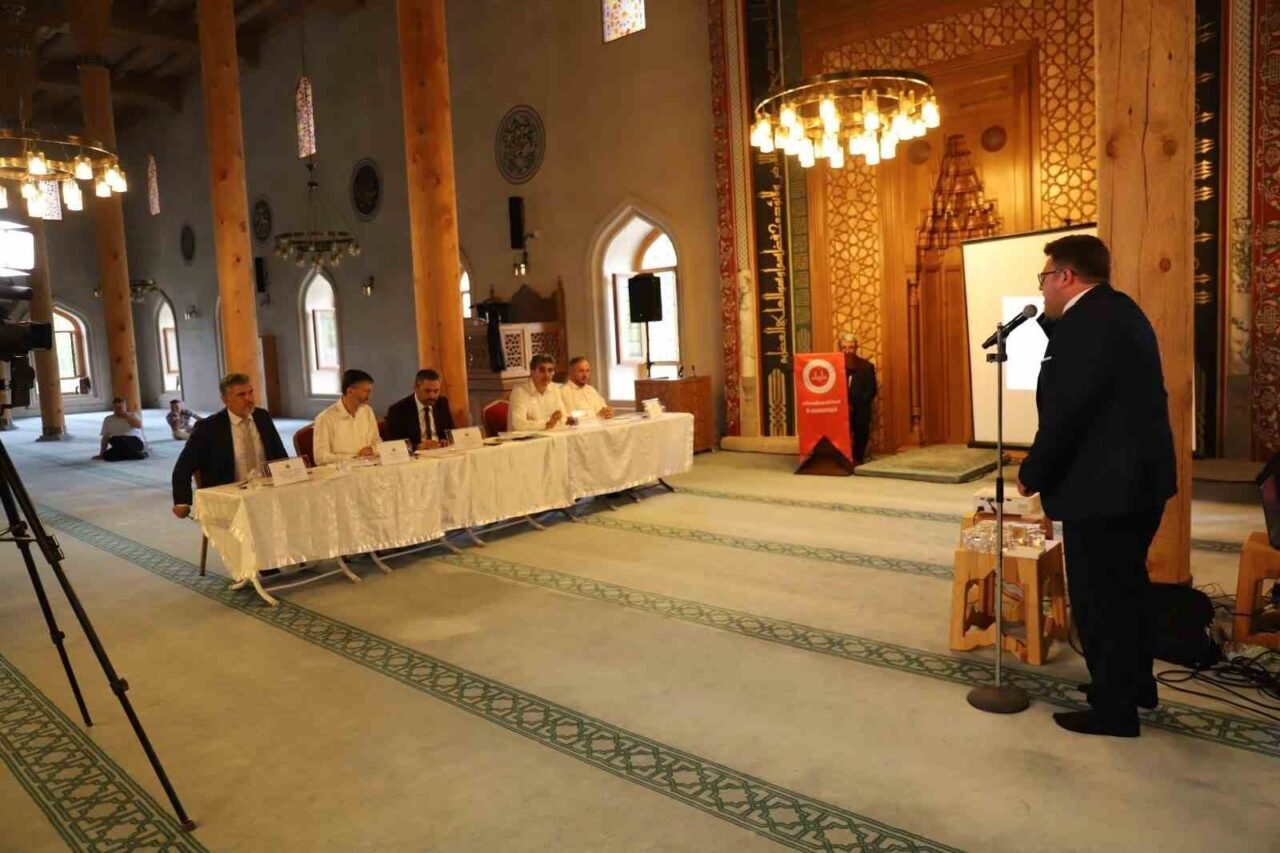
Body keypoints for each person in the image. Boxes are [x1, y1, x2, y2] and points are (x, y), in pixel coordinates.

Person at [1016, 234, 1176, 738]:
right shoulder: (1117, 311)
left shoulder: (1087, 325)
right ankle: (1133, 685)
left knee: (1100, 601)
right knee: (1126, 590)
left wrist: (1032, 472)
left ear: (1066, 276)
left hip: (1104, 488)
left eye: (1045, 278)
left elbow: (1067, 414)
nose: (1042, 289)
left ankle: (1114, 710)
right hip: (1137, 483)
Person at [171, 373, 289, 517]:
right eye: (241, 395)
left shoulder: (262, 417)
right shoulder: (208, 428)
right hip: (229, 499)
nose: (249, 399)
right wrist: (182, 502)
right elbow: (183, 466)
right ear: (226, 400)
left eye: (250, 392)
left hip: (266, 494)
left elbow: (280, 455)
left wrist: (290, 476)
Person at [313, 369, 381, 465]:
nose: (369, 395)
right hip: (341, 470)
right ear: (350, 391)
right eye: (366, 391)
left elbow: (377, 441)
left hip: (369, 466)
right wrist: (355, 457)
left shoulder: (367, 411)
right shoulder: (325, 418)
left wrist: (373, 449)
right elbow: (320, 457)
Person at [384, 368, 456, 450]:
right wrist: (417, 446)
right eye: (427, 391)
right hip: (416, 454)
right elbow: (393, 443)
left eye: (436, 391)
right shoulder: (398, 409)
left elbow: (450, 431)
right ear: (416, 388)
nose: (432, 396)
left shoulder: (442, 403)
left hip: (440, 450)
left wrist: (445, 440)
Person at [508, 354, 573, 431]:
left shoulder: (555, 388)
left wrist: (563, 420)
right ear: (532, 371)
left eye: (550, 370)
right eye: (542, 370)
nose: (546, 375)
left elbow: (563, 416)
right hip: (527, 437)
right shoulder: (520, 391)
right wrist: (547, 424)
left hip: (552, 434)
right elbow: (518, 424)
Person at [840, 334, 877, 463]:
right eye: (844, 347)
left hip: (860, 408)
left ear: (856, 348)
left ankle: (857, 459)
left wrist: (856, 404)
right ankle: (843, 459)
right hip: (840, 407)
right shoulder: (834, 367)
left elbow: (871, 390)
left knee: (861, 431)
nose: (847, 351)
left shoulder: (866, 366)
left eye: (850, 347)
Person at [560, 356, 614, 421]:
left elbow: (603, 409)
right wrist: (597, 416)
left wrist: (608, 412)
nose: (585, 375)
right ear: (571, 372)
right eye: (581, 371)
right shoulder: (563, 392)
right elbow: (570, 418)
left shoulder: (591, 390)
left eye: (587, 371)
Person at [98, 397, 148, 461]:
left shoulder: (133, 415)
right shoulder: (108, 419)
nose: (118, 410)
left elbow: (138, 426)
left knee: (122, 442)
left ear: (126, 407)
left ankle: (130, 454)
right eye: (116, 408)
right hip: (117, 441)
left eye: (120, 408)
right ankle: (135, 454)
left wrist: (126, 416)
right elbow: (105, 437)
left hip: (133, 440)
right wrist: (102, 453)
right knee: (106, 455)